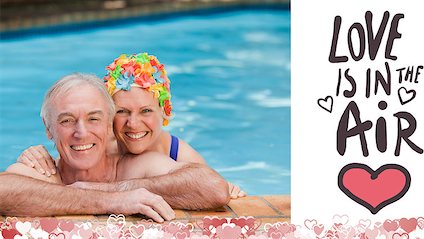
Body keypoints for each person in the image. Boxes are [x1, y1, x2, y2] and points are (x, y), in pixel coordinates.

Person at [1, 73, 230, 221]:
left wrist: (110, 189)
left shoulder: (136, 166)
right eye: (67, 120)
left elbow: (214, 188)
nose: (81, 133)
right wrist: (114, 201)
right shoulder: (43, 171)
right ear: (48, 129)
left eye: (94, 119)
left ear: (110, 126)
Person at [19, 53, 246, 198]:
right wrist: (35, 153)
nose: (133, 124)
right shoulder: (97, 140)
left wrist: (228, 188)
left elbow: (209, 187)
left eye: (146, 111)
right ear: (108, 118)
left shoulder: (179, 152)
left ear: (165, 112)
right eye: (122, 112)